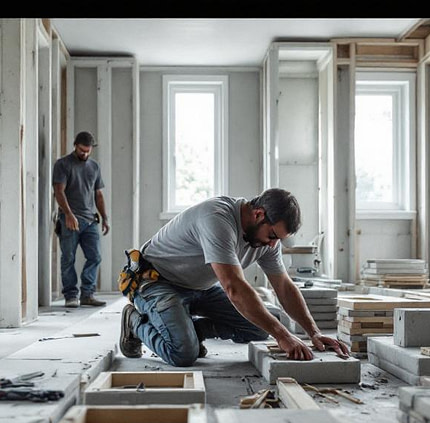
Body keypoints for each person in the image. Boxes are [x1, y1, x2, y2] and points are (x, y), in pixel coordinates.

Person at [118, 188, 349, 367]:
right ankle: (134, 322)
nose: (273, 244)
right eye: (272, 236)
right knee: (182, 353)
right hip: (157, 282)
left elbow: (284, 287)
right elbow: (233, 287)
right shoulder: (217, 218)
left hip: (199, 287)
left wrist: (314, 332)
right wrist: (283, 336)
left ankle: (191, 330)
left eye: (278, 239)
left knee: (263, 325)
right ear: (258, 214)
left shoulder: (268, 241)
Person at [53, 131, 109, 308]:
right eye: (81, 150)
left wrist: (105, 218)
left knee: (95, 257)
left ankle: (87, 294)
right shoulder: (63, 164)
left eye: (87, 151)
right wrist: (68, 215)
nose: (84, 154)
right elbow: (59, 191)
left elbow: (98, 194)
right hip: (69, 219)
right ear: (75, 146)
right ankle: (70, 295)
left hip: (90, 220)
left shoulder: (94, 167)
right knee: (68, 258)